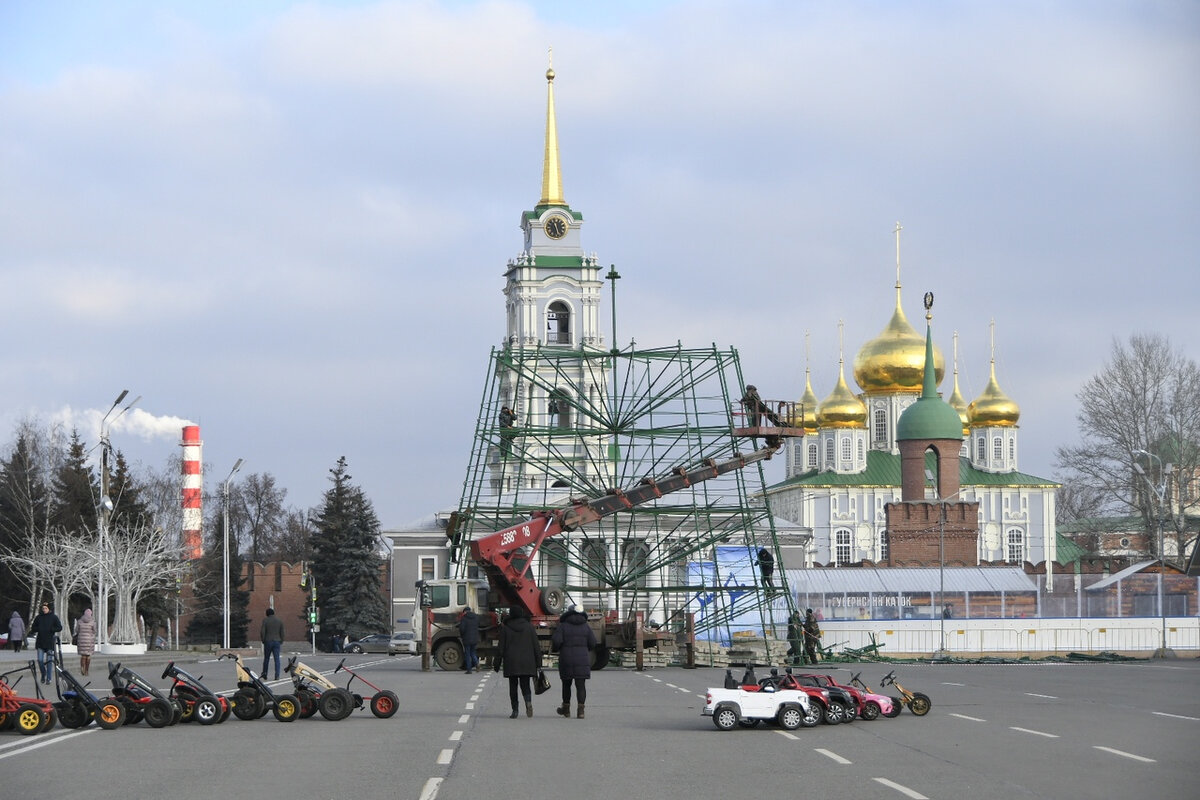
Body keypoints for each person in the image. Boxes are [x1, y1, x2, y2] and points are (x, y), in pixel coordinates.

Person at [494, 606, 540, 719]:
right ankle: (528, 702)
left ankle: (515, 710)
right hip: (526, 661)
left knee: (513, 687)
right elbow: (536, 646)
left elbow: (501, 647)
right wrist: (538, 663)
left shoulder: (506, 628)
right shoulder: (529, 627)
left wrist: (497, 663)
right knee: (525, 685)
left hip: (511, 661)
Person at [551, 605, 596, 719]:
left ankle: (566, 710)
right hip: (582, 659)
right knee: (580, 685)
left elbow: (556, 641)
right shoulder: (586, 627)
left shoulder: (563, 626)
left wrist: (559, 648)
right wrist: (584, 650)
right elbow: (593, 643)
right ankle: (581, 711)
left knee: (566, 684)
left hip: (566, 658)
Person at [29, 602, 62, 684]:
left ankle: (49, 678)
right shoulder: (39, 617)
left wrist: (52, 629)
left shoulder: (53, 617)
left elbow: (59, 627)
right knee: (40, 660)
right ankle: (43, 674)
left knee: (49, 661)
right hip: (40, 642)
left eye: (46, 608)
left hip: (50, 642)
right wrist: (38, 628)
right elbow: (33, 628)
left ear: (49, 609)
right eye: (43, 608)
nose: (44, 610)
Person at [260, 607, 285, 680]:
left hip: (268, 641)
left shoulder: (265, 620)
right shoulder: (279, 621)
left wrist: (263, 640)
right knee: (277, 659)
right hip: (277, 641)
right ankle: (277, 675)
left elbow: (262, 631)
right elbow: (282, 632)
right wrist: (281, 640)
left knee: (266, 659)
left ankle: (265, 674)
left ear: (267, 614)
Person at [73, 608, 97, 676]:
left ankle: (82, 668)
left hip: (81, 640)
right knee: (88, 656)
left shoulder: (79, 621)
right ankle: (87, 671)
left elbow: (76, 630)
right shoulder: (93, 622)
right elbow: (95, 631)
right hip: (89, 640)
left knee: (83, 656)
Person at [458, 606, 480, 674]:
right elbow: (478, 625)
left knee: (467, 654)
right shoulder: (476, 617)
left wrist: (461, 635)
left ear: (465, 612)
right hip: (475, 638)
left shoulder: (464, 618)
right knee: (473, 652)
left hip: (467, 639)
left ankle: (469, 670)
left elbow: (462, 629)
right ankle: (476, 663)